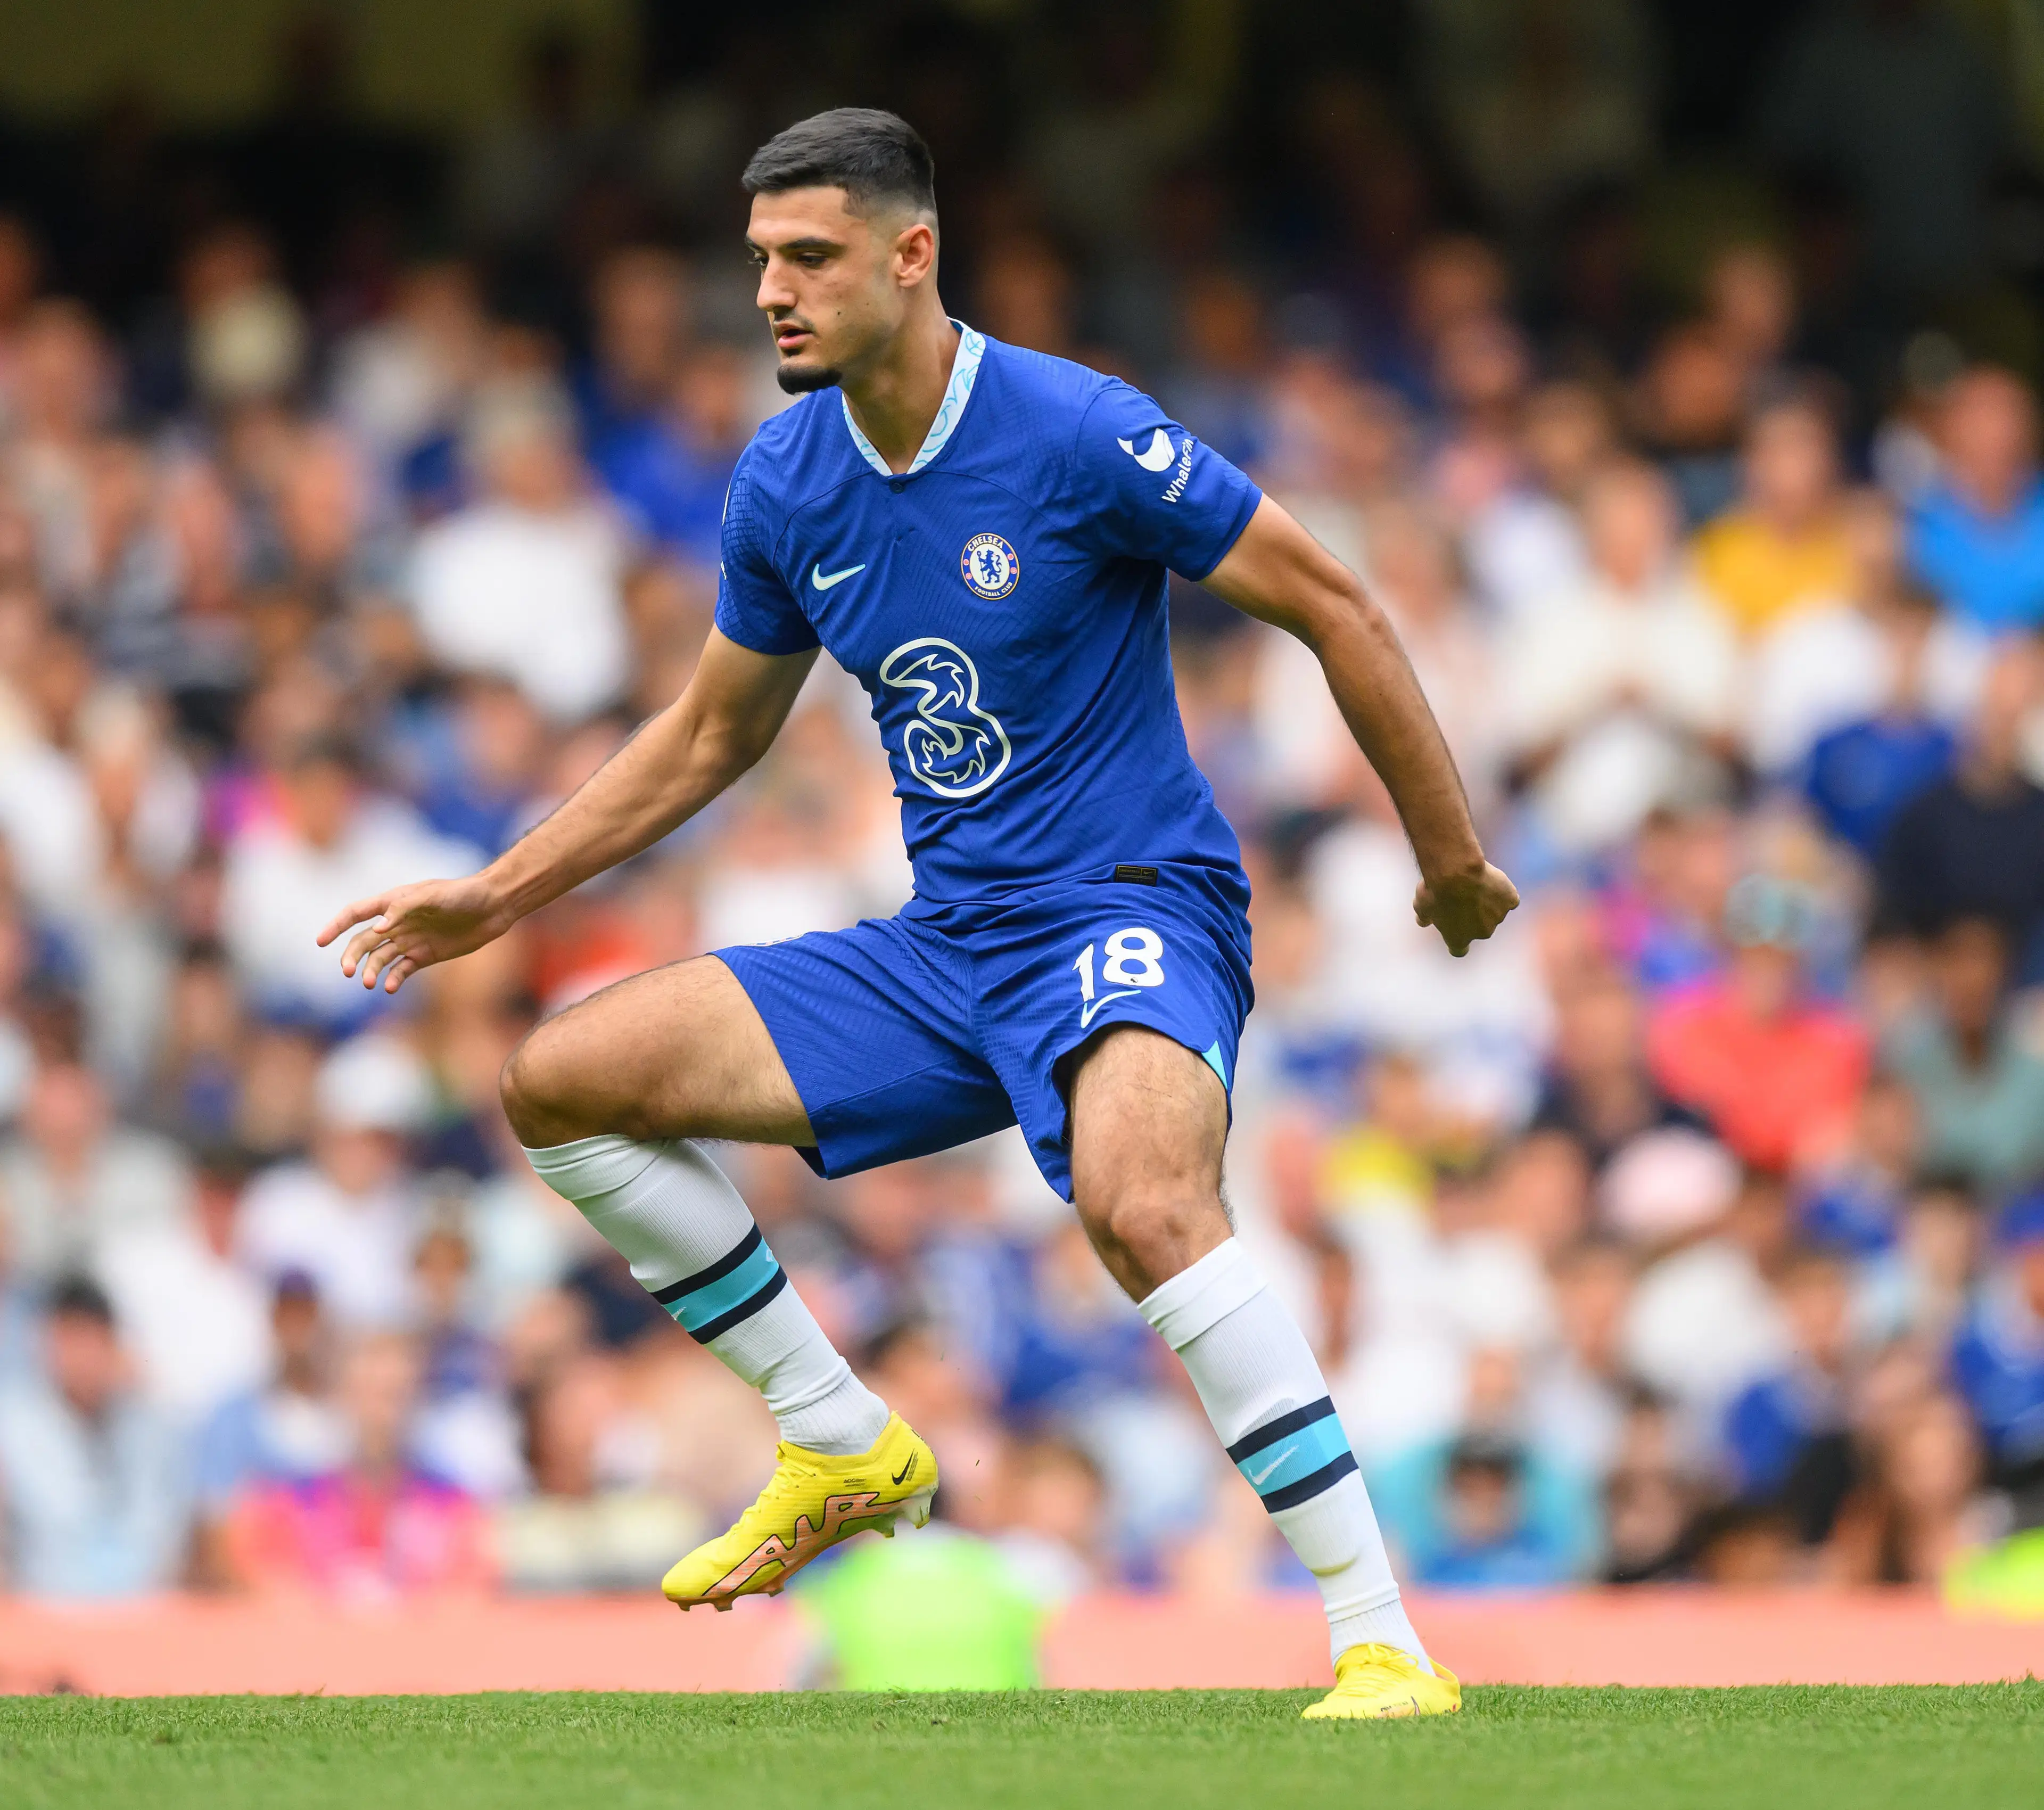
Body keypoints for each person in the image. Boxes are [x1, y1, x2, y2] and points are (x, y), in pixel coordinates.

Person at [318, 110, 1516, 1721]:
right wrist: (496, 892)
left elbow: (1333, 603)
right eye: (759, 262)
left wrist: (1446, 858)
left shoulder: (1078, 431)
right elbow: (709, 735)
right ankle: (837, 1437)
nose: (772, 295)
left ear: (911, 255)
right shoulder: (789, 479)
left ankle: (1380, 1638)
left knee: (1141, 1199)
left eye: (807, 258)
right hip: (948, 948)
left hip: (1130, 906)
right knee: (560, 1081)